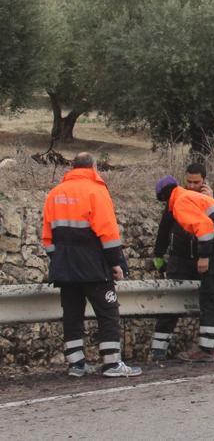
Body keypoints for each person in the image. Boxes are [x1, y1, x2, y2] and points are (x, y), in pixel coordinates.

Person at [42, 152, 142, 378]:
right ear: (93, 168)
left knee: (72, 314)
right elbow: (108, 234)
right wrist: (115, 263)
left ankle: (76, 365)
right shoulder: (96, 191)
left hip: (64, 268)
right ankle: (112, 363)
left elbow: (47, 238)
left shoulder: (54, 194)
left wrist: (59, 260)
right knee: (108, 311)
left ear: (73, 167)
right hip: (93, 267)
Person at [155, 173, 214, 362]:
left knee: (210, 294)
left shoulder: (180, 202)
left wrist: (204, 256)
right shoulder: (194, 197)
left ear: (165, 198)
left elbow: (204, 227)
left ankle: (205, 349)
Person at [148, 162, 214, 361]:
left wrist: (210, 198)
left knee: (210, 302)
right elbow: (164, 230)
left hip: (205, 259)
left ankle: (211, 346)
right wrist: (158, 255)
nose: (191, 186)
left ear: (204, 180)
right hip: (180, 259)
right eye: (188, 181)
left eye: (196, 182)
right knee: (170, 305)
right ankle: (158, 351)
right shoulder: (177, 199)